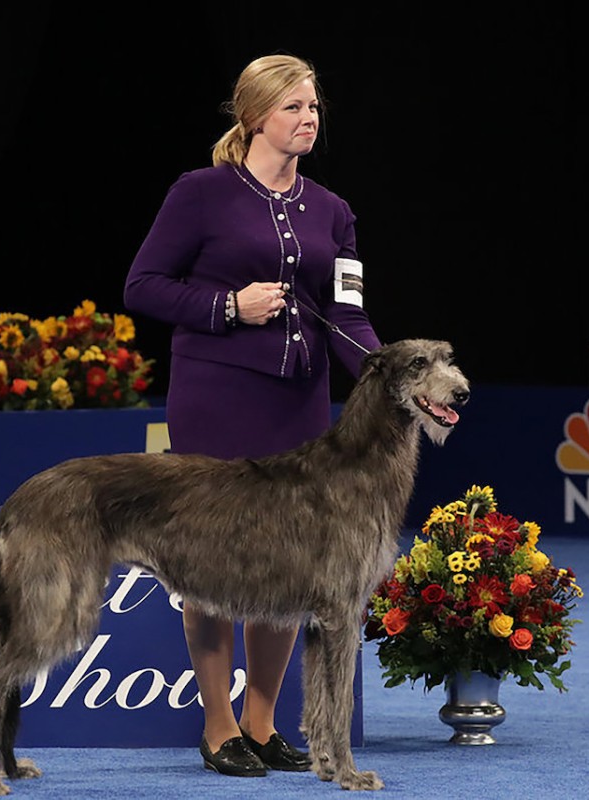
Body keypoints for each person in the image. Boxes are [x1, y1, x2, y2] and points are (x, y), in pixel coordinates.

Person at [123, 53, 382, 777]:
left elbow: (349, 315)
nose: (308, 121)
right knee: (214, 565)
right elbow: (142, 286)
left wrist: (388, 379)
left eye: (314, 110)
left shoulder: (333, 210)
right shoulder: (201, 193)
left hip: (298, 406)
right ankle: (218, 727)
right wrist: (226, 307)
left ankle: (263, 726)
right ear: (254, 116)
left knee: (289, 569)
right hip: (216, 400)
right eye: (294, 108)